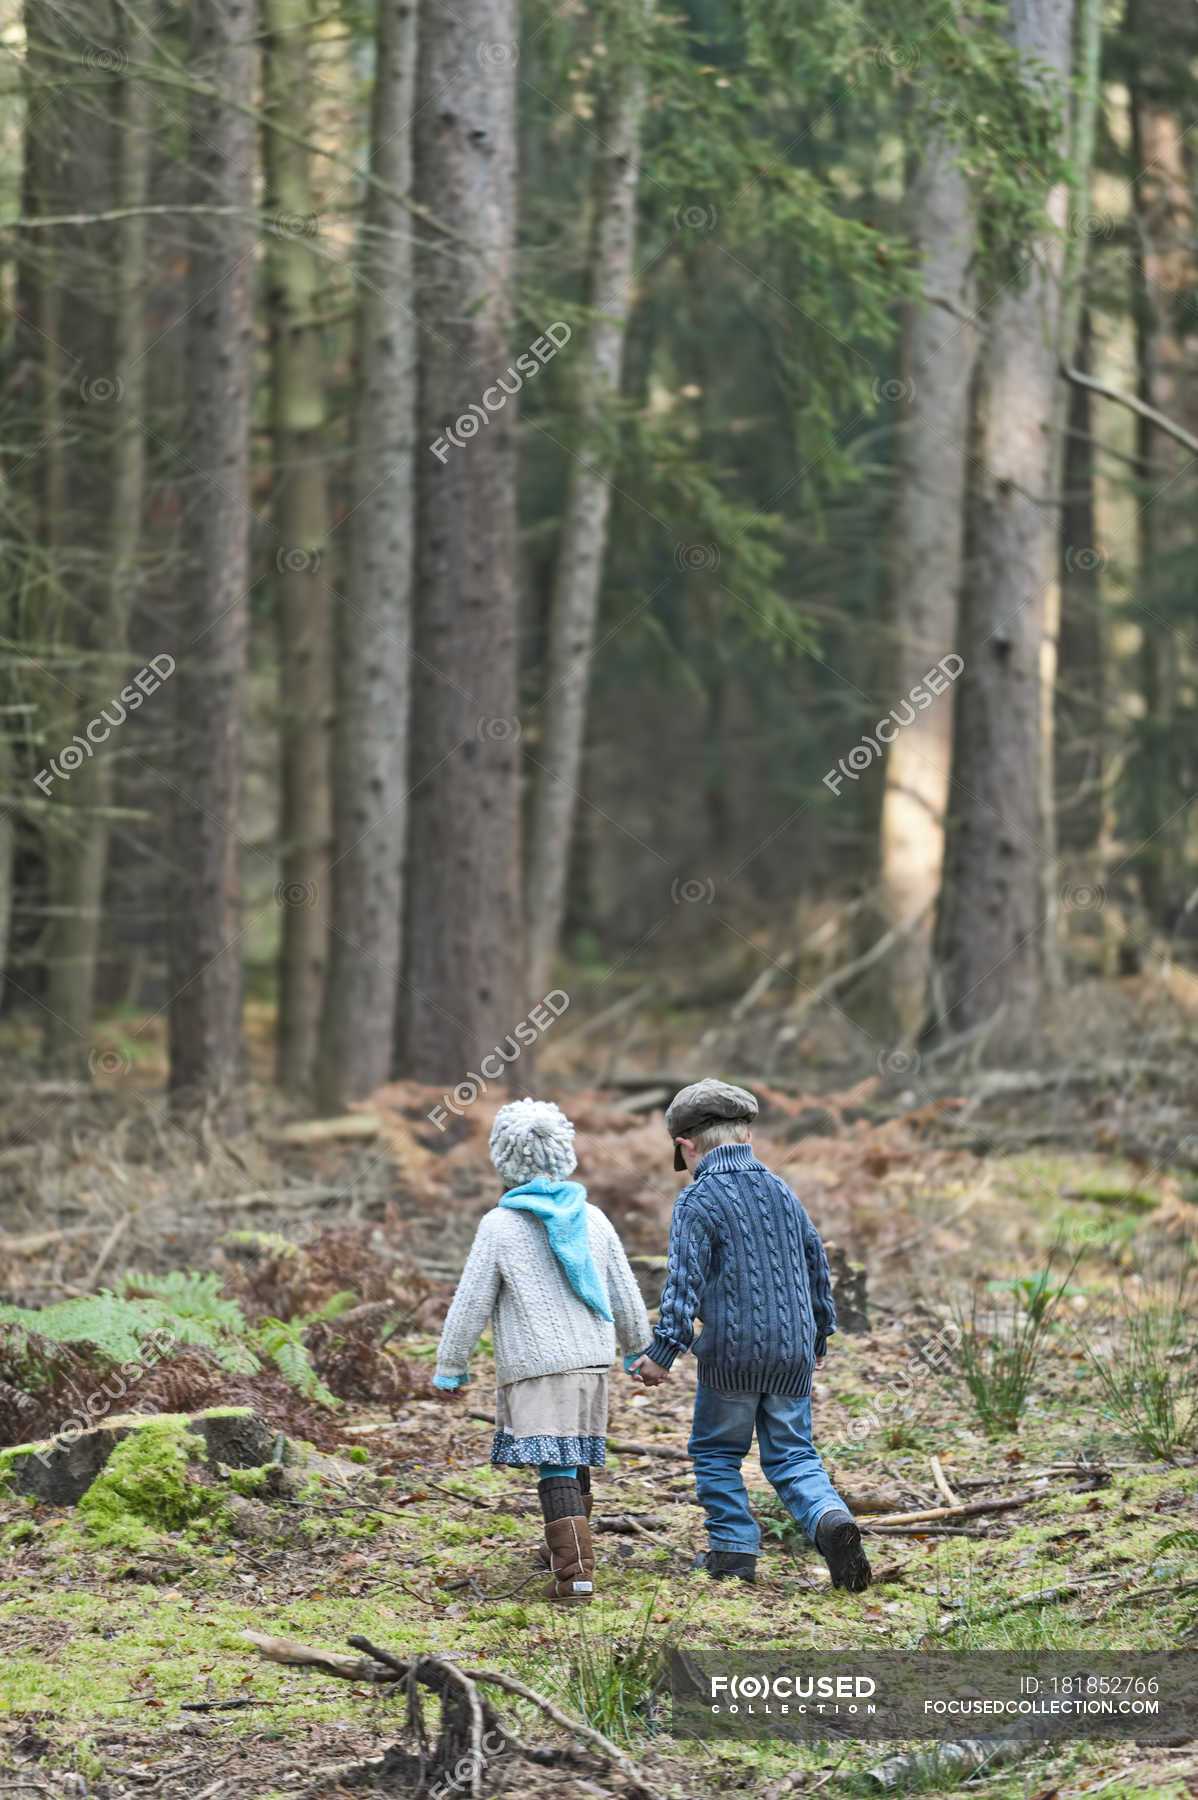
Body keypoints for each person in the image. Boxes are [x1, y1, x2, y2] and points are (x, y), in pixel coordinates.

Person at [630, 1078, 871, 1592]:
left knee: (718, 1453)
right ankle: (830, 1520)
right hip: (791, 1354)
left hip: (732, 1356)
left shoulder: (698, 1200)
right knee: (794, 1455)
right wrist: (819, 1338)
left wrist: (662, 1352)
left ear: (686, 1145)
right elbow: (816, 1266)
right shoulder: (782, 1191)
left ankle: (733, 1551)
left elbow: (684, 1283)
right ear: (747, 1136)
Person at [434, 1096, 652, 1603]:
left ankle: (575, 1570)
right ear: (564, 1152)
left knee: (555, 1462)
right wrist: (639, 1347)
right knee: (573, 1455)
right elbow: (625, 1291)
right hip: (591, 1362)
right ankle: (564, 1549)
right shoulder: (594, 1220)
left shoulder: (500, 1226)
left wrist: (451, 1365)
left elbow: (470, 1303)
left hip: (537, 1365)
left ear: (503, 1159)